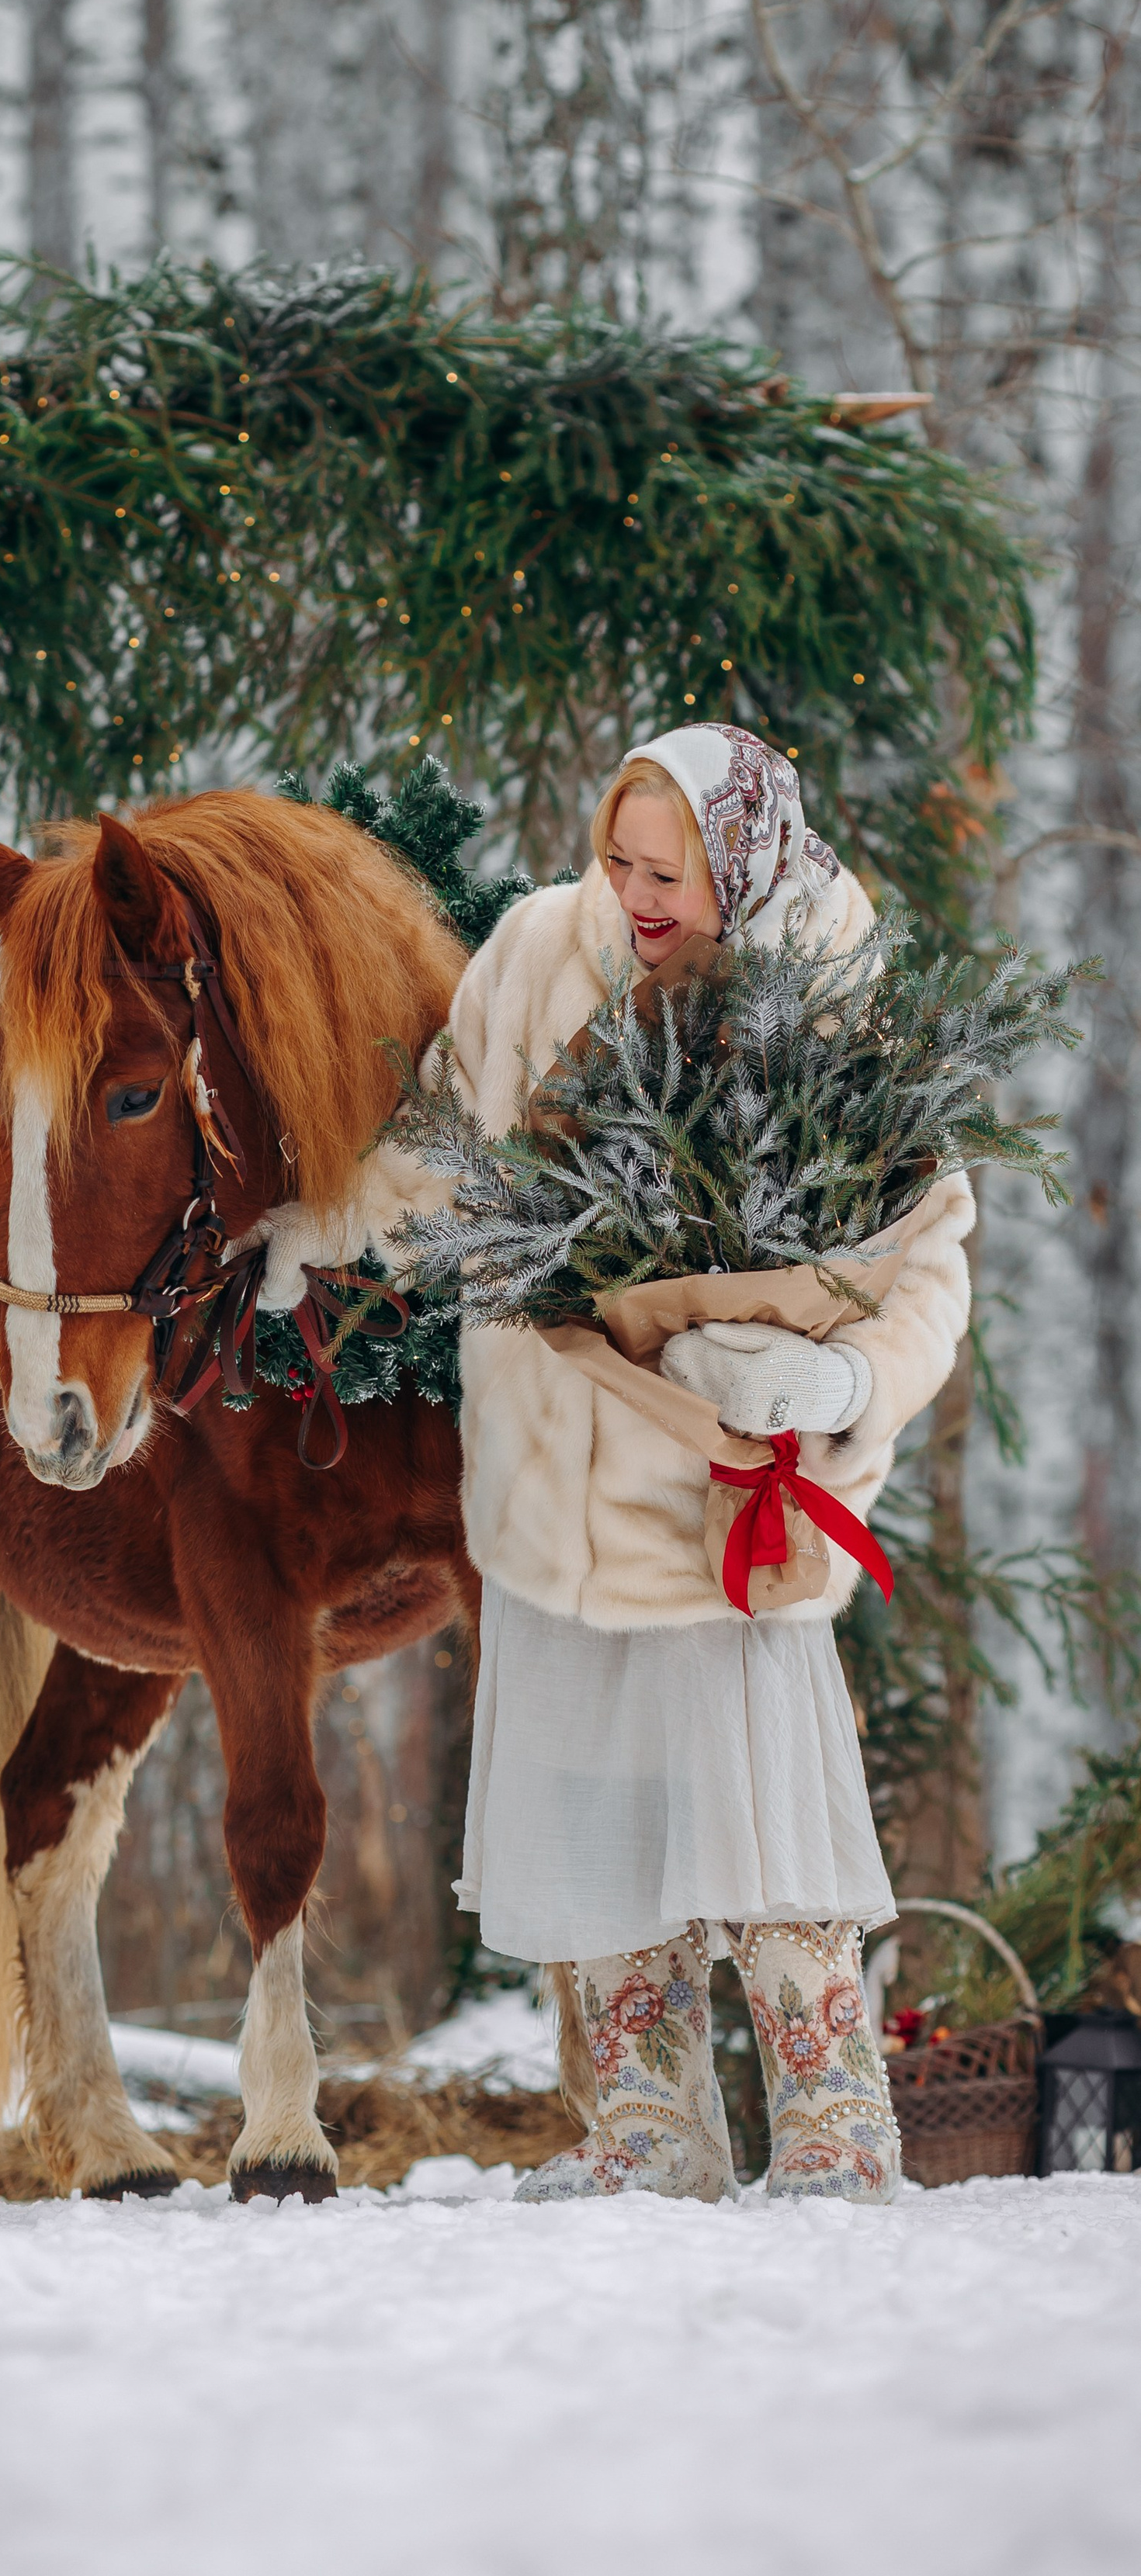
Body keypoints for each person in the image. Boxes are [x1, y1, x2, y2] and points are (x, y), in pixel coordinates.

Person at [254, 724, 972, 2202]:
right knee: (585, 1805)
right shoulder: (535, 953)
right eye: (618, 861)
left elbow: (928, 1253)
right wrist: (318, 1231)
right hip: (547, 1480)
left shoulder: (836, 988)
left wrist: (842, 1376)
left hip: (722, 1495)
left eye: (670, 872)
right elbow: (447, 1150)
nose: (636, 895)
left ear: (746, 860)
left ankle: (835, 2124)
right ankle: (650, 2131)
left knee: (759, 1799)